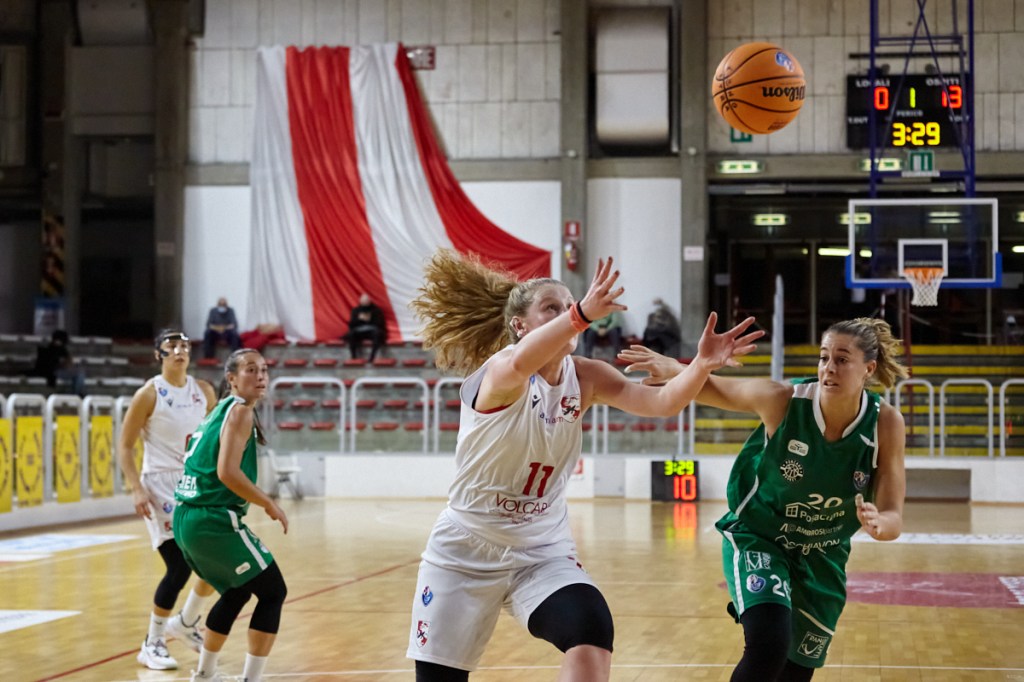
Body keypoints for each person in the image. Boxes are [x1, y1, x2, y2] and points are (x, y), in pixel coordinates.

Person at [405, 250, 762, 681]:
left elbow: (662, 403)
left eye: (567, 306)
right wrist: (580, 315)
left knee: (591, 628)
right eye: (550, 308)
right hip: (466, 548)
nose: (565, 315)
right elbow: (520, 361)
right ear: (520, 326)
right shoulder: (501, 371)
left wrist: (701, 365)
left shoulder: (586, 376)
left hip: (541, 549)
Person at [619, 317, 908, 680]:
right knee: (769, 643)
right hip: (761, 536)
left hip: (824, 552)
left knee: (795, 671)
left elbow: (893, 514)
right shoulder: (782, 400)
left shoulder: (885, 423)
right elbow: (717, 389)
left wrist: (882, 525)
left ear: (868, 369)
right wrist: (679, 368)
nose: (829, 368)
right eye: (823, 357)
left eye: (842, 359)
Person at [174, 348, 288, 682]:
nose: (260, 376)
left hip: (188, 518)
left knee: (237, 590)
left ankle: (205, 674)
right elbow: (227, 472)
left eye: (264, 369)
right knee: (273, 592)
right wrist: (268, 503)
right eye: (251, 370)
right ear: (232, 379)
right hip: (211, 520)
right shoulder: (239, 411)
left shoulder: (221, 409)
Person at [117, 329, 219, 670]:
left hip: (195, 482)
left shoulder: (203, 391)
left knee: (214, 559)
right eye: (171, 346)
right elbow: (125, 446)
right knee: (178, 566)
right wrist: (135, 487)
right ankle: (153, 642)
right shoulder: (149, 394)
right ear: (158, 354)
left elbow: (215, 439)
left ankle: (187, 623)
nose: (179, 351)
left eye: (184, 346)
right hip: (160, 484)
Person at [32, 329, 85, 395]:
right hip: (53, 372)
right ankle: (75, 394)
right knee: (80, 373)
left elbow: (68, 362)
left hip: (58, 370)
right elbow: (58, 363)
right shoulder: (51, 349)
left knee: (79, 371)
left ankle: (75, 393)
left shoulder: (61, 349)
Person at [344, 293, 386, 361]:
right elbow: (351, 324)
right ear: (360, 301)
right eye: (363, 301)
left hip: (372, 330)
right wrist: (359, 319)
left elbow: (380, 323)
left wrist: (370, 319)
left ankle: (372, 357)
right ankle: (353, 356)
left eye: (366, 301)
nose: (364, 302)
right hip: (359, 331)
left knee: (378, 334)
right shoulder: (356, 310)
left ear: (369, 301)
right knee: (351, 334)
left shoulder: (376, 310)